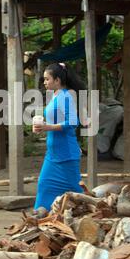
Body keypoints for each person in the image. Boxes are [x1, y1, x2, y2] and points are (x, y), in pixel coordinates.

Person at [33, 63, 86, 211]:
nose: (44, 82)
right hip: (53, 154)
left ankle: (93, 213)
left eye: (47, 79)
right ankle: (41, 218)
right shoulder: (55, 95)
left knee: (76, 191)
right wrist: (41, 126)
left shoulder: (66, 96)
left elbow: (73, 122)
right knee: (44, 185)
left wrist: (47, 127)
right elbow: (55, 121)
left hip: (66, 154)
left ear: (57, 80)